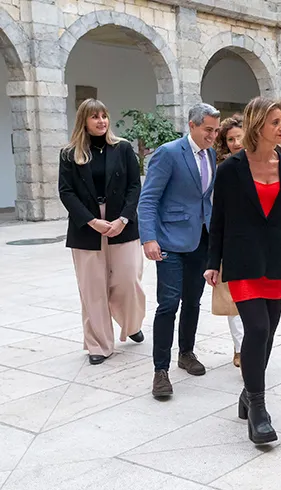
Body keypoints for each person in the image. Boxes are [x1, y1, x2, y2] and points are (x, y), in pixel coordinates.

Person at [205, 97, 281, 444]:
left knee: (269, 333)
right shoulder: (230, 170)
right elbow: (218, 221)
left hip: (277, 262)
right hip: (243, 261)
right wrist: (211, 263)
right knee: (257, 329)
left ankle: (248, 394)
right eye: (276, 121)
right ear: (258, 124)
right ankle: (259, 410)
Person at [138, 103, 221, 398]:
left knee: (193, 301)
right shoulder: (169, 153)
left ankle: (186, 353)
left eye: (216, 130)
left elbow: (205, 199)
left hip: (201, 239)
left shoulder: (211, 153)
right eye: (208, 130)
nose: (213, 135)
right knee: (168, 304)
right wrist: (148, 238)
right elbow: (148, 199)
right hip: (170, 240)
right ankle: (160, 370)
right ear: (192, 125)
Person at [58, 98, 146, 365]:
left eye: (104, 116)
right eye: (95, 117)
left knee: (127, 280)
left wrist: (123, 219)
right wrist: (91, 221)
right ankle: (98, 344)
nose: (101, 121)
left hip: (122, 222)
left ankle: (131, 323)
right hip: (86, 227)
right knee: (92, 288)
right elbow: (66, 192)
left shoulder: (123, 148)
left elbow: (134, 186)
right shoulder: (69, 153)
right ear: (83, 121)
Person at [213, 114, 245, 368]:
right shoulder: (221, 168)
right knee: (232, 298)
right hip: (229, 239)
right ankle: (240, 348)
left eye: (239, 137)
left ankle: (253, 344)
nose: (235, 143)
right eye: (230, 139)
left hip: (257, 241)